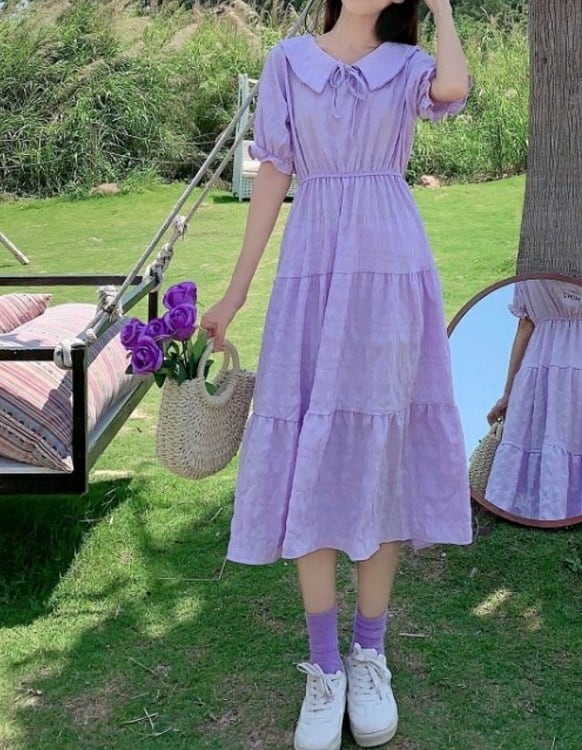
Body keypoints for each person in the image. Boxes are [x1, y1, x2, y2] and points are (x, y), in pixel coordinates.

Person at [200, 1, 472, 748]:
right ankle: (325, 667)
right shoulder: (289, 61)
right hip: (312, 269)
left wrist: (443, 8)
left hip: (391, 269)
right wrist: (235, 292)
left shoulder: (410, 66)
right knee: (308, 459)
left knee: (381, 453)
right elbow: (273, 174)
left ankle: (369, 653)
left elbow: (453, 87)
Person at [485, 279, 582, 521]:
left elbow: (525, 326)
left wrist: (508, 392)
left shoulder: (532, 266)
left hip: (543, 357)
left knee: (537, 435)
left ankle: (531, 511)